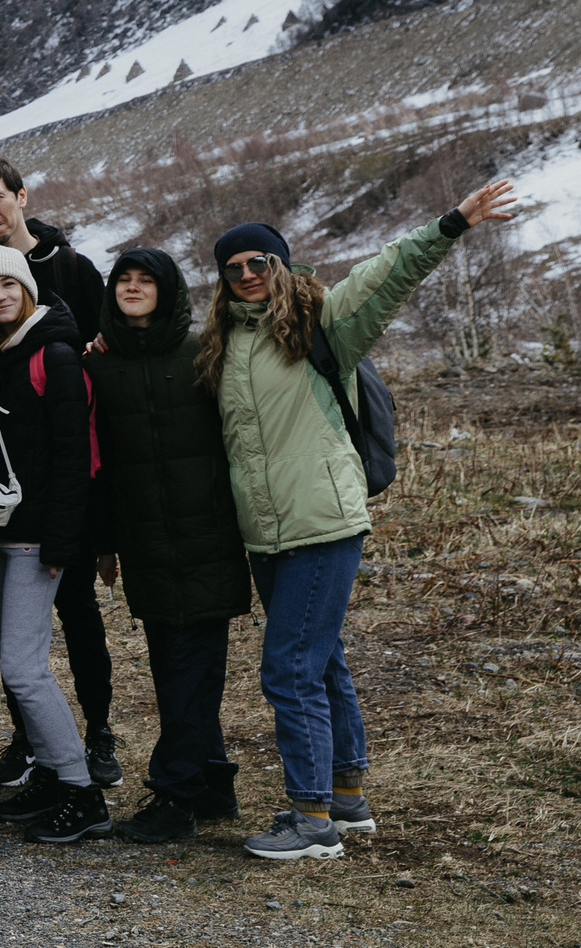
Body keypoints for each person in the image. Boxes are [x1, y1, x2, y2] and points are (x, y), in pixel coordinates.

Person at [205, 180, 516, 861]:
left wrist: (451, 224)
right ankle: (345, 797)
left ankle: (310, 817)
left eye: (259, 261)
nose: (248, 274)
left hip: (323, 520)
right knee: (321, 659)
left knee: (289, 669)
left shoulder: (323, 321)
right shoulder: (222, 344)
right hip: (266, 532)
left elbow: (387, 272)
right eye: (233, 267)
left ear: (282, 263)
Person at [0, 155, 118, 790]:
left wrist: (94, 526)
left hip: (59, 501)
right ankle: (34, 746)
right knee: (18, 646)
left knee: (78, 619)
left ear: (20, 196)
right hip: (6, 508)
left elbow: (102, 374)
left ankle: (96, 737)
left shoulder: (70, 271)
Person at [85, 248, 246, 845]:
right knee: (174, 667)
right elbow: (99, 465)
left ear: (168, 290)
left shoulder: (204, 353)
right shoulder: (99, 364)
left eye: (145, 280)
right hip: (145, 540)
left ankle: (176, 794)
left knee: (192, 667)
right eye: (123, 280)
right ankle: (212, 784)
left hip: (207, 535)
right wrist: (105, 543)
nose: (132, 288)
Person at [0, 248, 111, 845]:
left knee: (23, 671)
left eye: (8, 284)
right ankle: (51, 773)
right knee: (14, 659)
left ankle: (82, 790)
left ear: (26, 288)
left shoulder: (55, 354)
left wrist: (62, 541)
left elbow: (77, 457)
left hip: (34, 541)